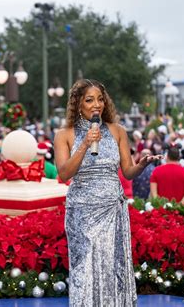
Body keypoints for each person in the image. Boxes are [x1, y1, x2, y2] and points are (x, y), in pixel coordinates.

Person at [54, 79, 162, 306]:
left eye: (100, 99)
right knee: (85, 267)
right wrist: (85, 144)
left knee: (111, 265)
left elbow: (128, 171)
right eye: (89, 100)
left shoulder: (118, 131)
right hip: (82, 210)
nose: (97, 105)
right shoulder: (64, 135)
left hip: (112, 208)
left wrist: (141, 165)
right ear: (77, 104)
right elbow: (64, 174)